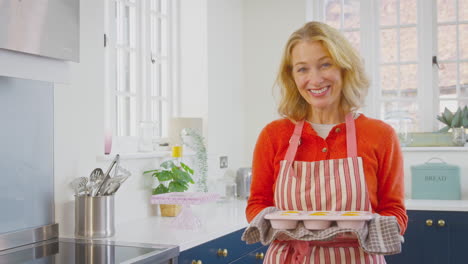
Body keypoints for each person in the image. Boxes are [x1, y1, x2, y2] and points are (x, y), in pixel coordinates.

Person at [246, 21, 407, 263]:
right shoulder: (274, 135)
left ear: (344, 68)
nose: (315, 79)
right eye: (302, 69)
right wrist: (287, 227)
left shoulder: (380, 135)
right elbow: (258, 203)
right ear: (291, 76)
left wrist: (369, 230)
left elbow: (394, 210)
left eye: (325, 64)